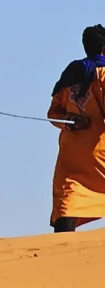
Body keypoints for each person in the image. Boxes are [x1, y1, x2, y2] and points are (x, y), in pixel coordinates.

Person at [48, 24, 105, 233]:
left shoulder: (71, 75)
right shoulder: (103, 75)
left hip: (72, 159)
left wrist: (70, 120)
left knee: (67, 208)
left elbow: (53, 114)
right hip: (100, 158)